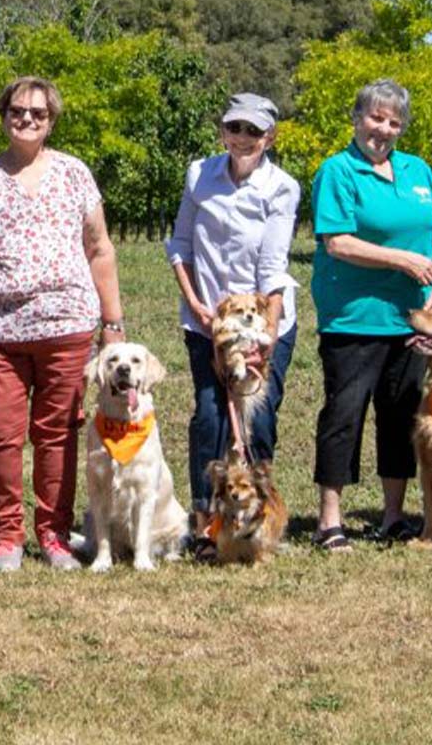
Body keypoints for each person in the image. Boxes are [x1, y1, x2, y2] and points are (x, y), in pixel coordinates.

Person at [0, 76, 126, 572]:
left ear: (51, 121)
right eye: (17, 111)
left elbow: (99, 248)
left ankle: (53, 535)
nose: (26, 119)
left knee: (60, 433)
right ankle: (6, 536)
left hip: (67, 327)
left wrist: (113, 322)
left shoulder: (73, 174)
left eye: (38, 114)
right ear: (3, 116)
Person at [310, 79, 432, 552]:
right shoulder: (338, 171)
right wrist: (402, 260)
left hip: (411, 319)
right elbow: (338, 242)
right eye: (376, 118)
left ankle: (394, 515)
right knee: (344, 414)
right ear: (357, 118)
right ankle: (330, 519)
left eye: (394, 122)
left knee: (401, 415)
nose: (384, 129)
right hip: (354, 317)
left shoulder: (418, 171)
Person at [167, 92, 300, 561]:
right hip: (207, 320)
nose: (242, 138)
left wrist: (261, 334)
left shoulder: (282, 187)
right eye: (234, 128)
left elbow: (273, 266)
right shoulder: (199, 173)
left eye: (253, 131)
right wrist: (199, 307)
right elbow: (180, 244)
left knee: (257, 421)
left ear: (270, 136)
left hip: (263, 321)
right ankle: (206, 523)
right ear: (223, 131)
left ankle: (258, 520)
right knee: (211, 416)